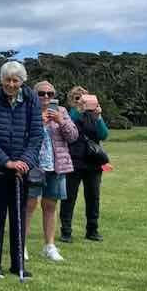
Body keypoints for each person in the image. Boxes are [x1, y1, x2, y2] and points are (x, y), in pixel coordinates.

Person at [0, 60, 43, 279]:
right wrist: (5, 162)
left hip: (21, 170)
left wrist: (25, 161)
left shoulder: (31, 99)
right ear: (1, 80)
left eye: (16, 81)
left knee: (18, 217)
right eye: (7, 80)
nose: (11, 85)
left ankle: (17, 263)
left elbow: (36, 135)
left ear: (22, 82)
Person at [23, 81, 77, 262]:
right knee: (29, 205)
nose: (46, 97)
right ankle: (21, 245)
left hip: (56, 166)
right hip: (33, 165)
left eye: (50, 93)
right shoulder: (27, 110)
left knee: (50, 206)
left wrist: (61, 122)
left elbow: (73, 136)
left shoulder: (61, 112)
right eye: (41, 93)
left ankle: (49, 245)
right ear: (33, 94)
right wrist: (39, 123)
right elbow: (19, 136)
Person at [60, 85, 110, 243]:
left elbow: (103, 134)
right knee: (69, 197)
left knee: (93, 197)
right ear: (71, 101)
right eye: (77, 98)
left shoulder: (93, 116)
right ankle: (66, 231)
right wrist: (79, 109)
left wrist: (99, 117)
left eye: (84, 98)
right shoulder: (69, 114)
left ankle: (92, 230)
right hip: (74, 161)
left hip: (93, 163)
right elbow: (69, 128)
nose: (81, 101)